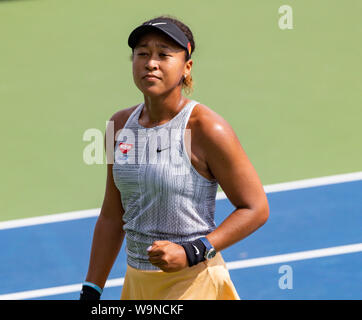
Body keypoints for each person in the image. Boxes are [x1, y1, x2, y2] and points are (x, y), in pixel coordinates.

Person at [80, 15, 269, 300]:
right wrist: (92, 289)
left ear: (186, 67)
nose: (151, 63)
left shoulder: (207, 128)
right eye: (142, 54)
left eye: (163, 55)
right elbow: (112, 214)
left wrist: (192, 251)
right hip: (138, 285)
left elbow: (255, 208)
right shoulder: (118, 126)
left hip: (196, 283)